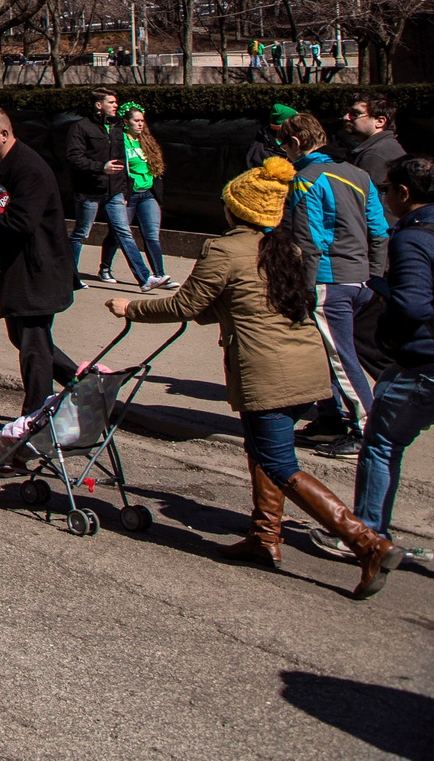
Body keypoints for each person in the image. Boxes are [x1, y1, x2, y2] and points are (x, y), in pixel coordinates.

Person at [104, 158, 394, 597]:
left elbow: (184, 305)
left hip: (267, 374)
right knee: (261, 450)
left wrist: (132, 308)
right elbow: (237, 303)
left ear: (233, 209)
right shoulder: (287, 247)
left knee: (279, 463)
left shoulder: (224, 250)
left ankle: (366, 542)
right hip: (304, 367)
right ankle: (264, 538)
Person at [285, 108, 389, 454]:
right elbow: (378, 230)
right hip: (358, 279)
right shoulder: (358, 175)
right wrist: (372, 275)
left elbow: (308, 240)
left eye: (284, 146)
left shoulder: (306, 179)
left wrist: (305, 289)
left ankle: (365, 428)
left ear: (296, 143)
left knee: (341, 358)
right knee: (326, 354)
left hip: (328, 281)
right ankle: (330, 420)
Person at [0, 106, 77, 435]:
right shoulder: (1, 165)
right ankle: (85, 385)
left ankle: (34, 417)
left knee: (33, 344)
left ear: (4, 134)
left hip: (39, 270)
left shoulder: (28, 168)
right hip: (20, 270)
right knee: (25, 338)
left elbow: (22, 221)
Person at [354, 156, 432, 570]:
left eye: (386, 189)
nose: (384, 195)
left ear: (403, 193)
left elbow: (412, 304)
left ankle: (368, 535)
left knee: (382, 443)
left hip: (422, 361)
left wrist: (386, 332)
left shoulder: (412, 237)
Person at [64, 88, 152, 287]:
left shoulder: (117, 128)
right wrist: (101, 168)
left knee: (124, 232)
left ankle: (145, 278)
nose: (115, 106)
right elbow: (74, 158)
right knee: (81, 233)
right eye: (111, 102)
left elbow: (122, 162)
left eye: (115, 102)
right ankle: (69, 276)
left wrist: (124, 190)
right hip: (89, 191)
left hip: (115, 192)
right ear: (99, 105)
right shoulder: (81, 127)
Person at [102, 103, 175, 288]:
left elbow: (155, 168)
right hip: (128, 195)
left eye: (142, 121)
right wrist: (123, 191)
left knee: (151, 235)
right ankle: (105, 268)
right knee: (118, 234)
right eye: (136, 121)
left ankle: (160, 275)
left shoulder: (146, 141)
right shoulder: (119, 141)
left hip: (147, 194)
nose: (140, 124)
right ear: (126, 122)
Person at [345, 96, 406, 193]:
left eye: (355, 114)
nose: (346, 118)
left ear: (379, 121)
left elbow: (371, 202)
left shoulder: (374, 156)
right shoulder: (387, 145)